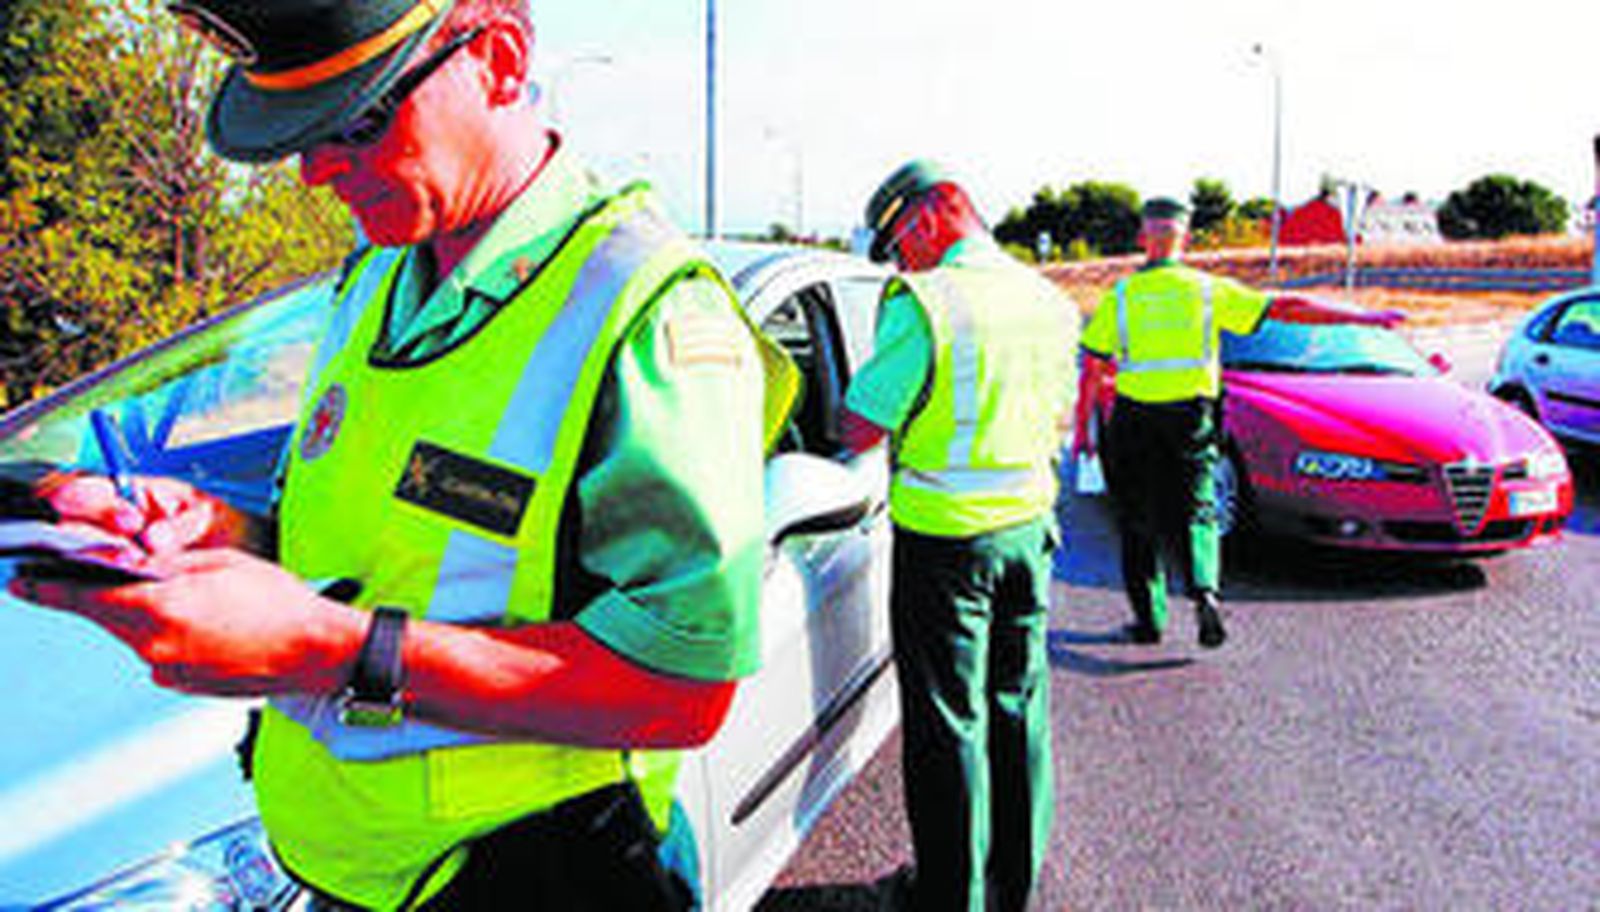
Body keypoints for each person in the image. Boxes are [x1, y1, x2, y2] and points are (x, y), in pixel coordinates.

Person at [7, 0, 797, 908]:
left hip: (534, 878)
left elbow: (681, 694)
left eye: (359, 120)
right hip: (352, 871)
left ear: (499, 59)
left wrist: (330, 649)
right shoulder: (379, 274)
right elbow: (373, 541)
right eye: (304, 132)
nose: (314, 171)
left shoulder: (647, 312)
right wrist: (219, 530)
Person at [840, 160, 1075, 912]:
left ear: (942, 208)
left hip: (947, 543)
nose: (901, 260)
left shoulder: (928, 303)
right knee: (1018, 706)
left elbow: (860, 425)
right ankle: (1013, 884)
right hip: (1029, 532)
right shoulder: (1048, 299)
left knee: (948, 725)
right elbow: (1059, 416)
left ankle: (950, 896)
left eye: (902, 238)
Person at [1075, 196, 1398, 649]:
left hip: (1136, 418)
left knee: (1138, 519)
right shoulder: (1208, 290)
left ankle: (1148, 621)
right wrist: (1363, 317)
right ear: (1186, 239)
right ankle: (1204, 589)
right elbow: (1288, 306)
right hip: (1192, 415)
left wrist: (1081, 431)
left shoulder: (1122, 296)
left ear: (1143, 237)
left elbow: (1092, 368)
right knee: (1199, 505)